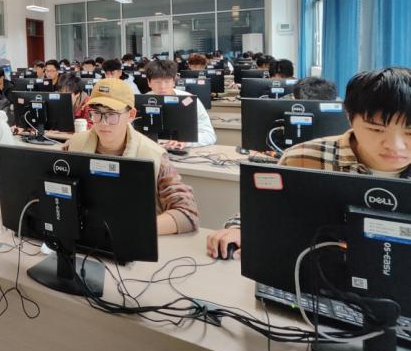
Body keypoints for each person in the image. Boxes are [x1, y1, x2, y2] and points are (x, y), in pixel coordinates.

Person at [207, 67, 411, 260]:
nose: (396, 146)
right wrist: (240, 228)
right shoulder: (302, 158)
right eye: (376, 130)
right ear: (349, 117)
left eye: (409, 133)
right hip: (315, 273)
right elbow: (266, 208)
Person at [63, 79, 199, 234]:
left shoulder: (153, 155)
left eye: (112, 114)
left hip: (134, 239)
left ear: (131, 115)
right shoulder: (74, 145)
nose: (103, 123)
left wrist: (132, 228)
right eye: (97, 113)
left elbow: (187, 215)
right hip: (86, 236)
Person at [144, 60, 216, 149]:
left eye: (167, 81)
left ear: (174, 81)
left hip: (183, 150)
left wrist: (186, 141)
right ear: (149, 83)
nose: (162, 87)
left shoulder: (189, 100)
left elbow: (210, 135)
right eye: (157, 82)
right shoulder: (142, 101)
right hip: (151, 149)